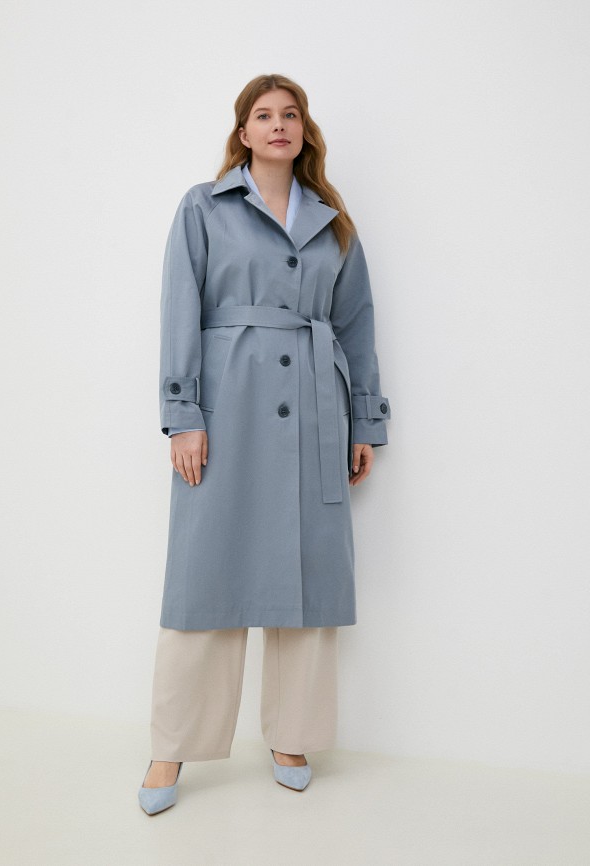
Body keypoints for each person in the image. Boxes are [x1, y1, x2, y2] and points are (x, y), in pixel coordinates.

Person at [138, 73, 391, 815]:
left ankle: (291, 736)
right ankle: (170, 746)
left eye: (290, 114)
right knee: (204, 579)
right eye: (263, 114)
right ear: (243, 132)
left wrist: (364, 422)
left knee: (307, 580)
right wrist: (184, 414)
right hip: (229, 409)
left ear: (303, 131)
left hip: (315, 409)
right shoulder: (204, 207)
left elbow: (356, 325)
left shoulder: (334, 223)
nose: (278, 124)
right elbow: (180, 310)